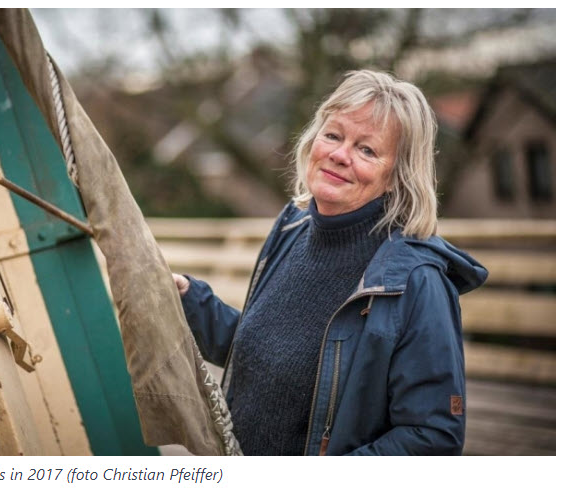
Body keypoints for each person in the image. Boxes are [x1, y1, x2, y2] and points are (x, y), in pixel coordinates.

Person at [173, 70, 487, 455]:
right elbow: (265, 355)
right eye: (334, 135)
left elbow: (433, 437)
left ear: (397, 176)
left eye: (367, 150)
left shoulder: (417, 281)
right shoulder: (291, 229)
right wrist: (190, 299)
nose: (339, 155)